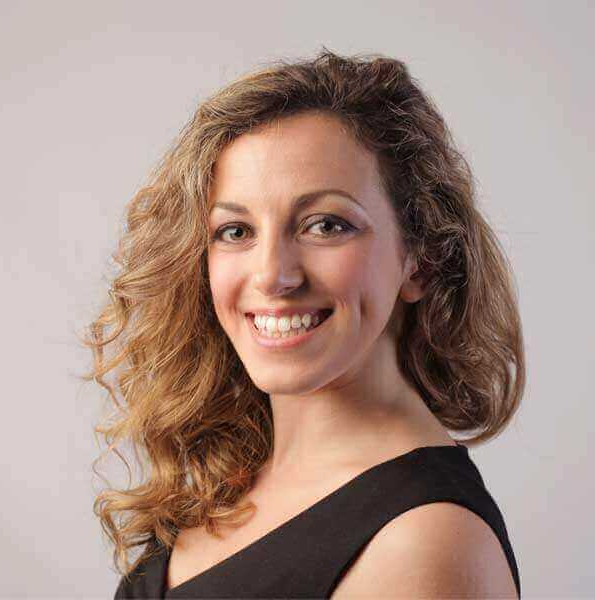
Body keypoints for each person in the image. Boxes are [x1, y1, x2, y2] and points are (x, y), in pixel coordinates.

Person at [83, 48, 524, 598]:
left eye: (325, 225)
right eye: (236, 231)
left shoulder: (423, 544)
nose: (272, 276)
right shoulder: (230, 476)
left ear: (422, 259)